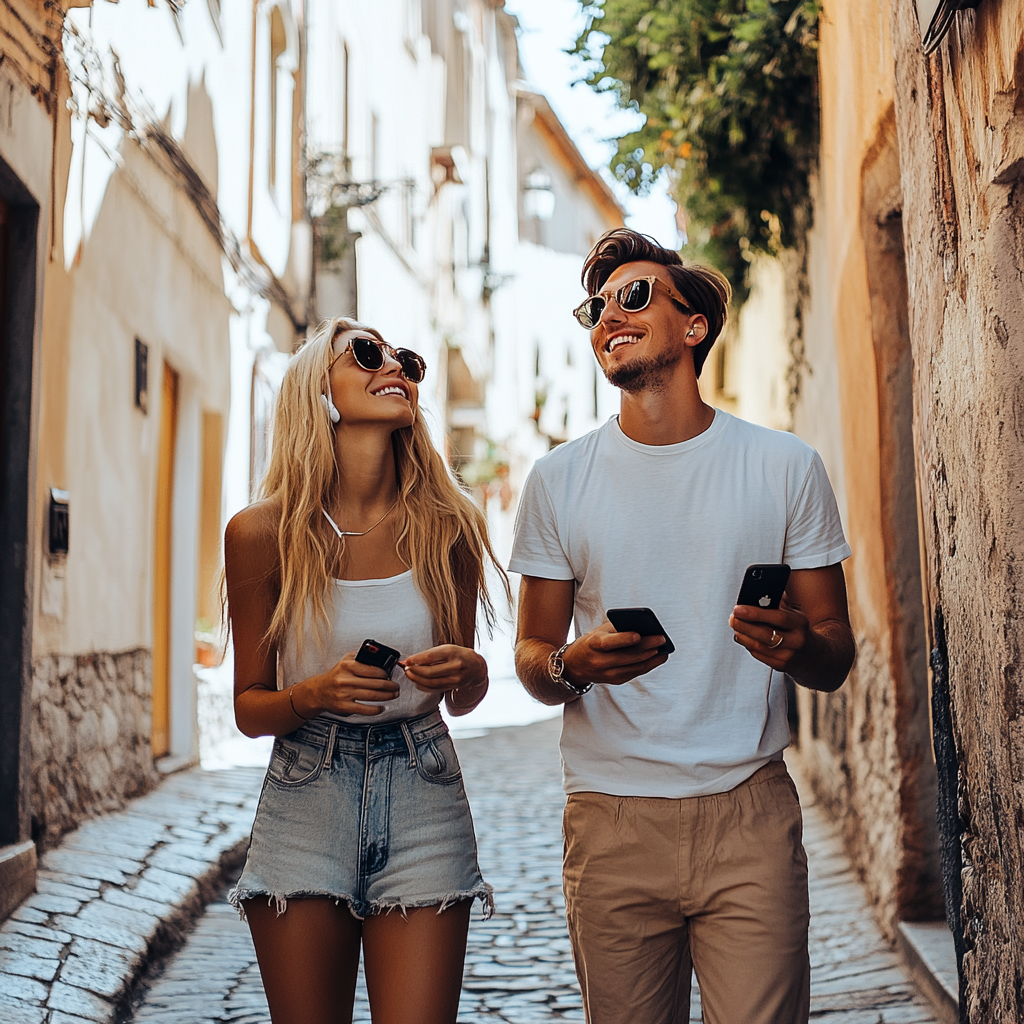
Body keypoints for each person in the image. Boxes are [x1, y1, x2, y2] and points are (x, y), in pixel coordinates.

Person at [510, 229, 854, 1024]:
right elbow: (531, 658)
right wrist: (575, 665)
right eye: (595, 308)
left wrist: (799, 645)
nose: (607, 318)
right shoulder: (558, 481)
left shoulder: (784, 467)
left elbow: (836, 653)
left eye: (632, 297)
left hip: (750, 814)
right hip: (611, 820)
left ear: (693, 325)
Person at [224, 318, 507, 1024]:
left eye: (406, 359)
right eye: (367, 353)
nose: (397, 367)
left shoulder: (452, 526)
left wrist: (468, 670)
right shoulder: (261, 535)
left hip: (423, 785)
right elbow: (250, 708)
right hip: (306, 785)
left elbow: (465, 697)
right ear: (318, 389)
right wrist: (317, 691)